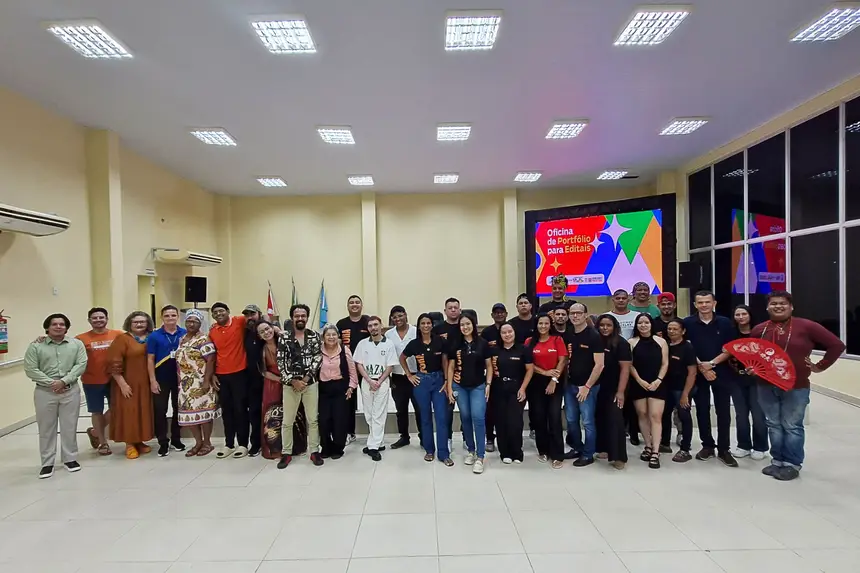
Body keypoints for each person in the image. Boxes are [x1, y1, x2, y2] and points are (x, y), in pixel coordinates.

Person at [751, 291, 844, 481]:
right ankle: (777, 460)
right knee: (773, 424)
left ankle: (792, 464)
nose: (778, 306)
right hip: (765, 384)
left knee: (792, 425)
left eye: (783, 303)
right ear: (767, 307)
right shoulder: (759, 329)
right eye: (774, 303)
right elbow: (754, 354)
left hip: (796, 385)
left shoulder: (806, 326)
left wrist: (820, 366)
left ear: (791, 306)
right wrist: (752, 368)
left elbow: (836, 345)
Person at [24, 313, 87, 478]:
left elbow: (81, 364)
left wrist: (64, 381)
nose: (58, 327)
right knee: (46, 428)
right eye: (54, 324)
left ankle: (70, 459)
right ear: (47, 327)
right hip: (45, 392)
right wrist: (52, 383)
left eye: (62, 324)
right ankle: (47, 463)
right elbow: (31, 369)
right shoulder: (36, 346)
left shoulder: (76, 344)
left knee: (69, 426)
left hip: (70, 390)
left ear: (66, 328)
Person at [682, 290, 739, 467]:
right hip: (698, 373)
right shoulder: (688, 323)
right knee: (702, 409)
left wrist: (712, 364)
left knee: (723, 411)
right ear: (695, 305)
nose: (704, 305)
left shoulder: (725, 322)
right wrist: (702, 367)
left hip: (721, 371)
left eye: (707, 302)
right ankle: (707, 445)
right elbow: (686, 347)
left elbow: (730, 348)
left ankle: (724, 449)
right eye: (700, 302)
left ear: (714, 303)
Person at [277, 304, 324, 468]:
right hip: (290, 386)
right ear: (292, 318)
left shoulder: (314, 336)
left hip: (310, 384)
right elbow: (281, 362)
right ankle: (286, 453)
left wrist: (306, 378)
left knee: (313, 420)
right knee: (287, 421)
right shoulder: (284, 337)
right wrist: (293, 381)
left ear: (307, 317)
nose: (300, 318)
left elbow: (318, 358)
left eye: (303, 316)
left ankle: (314, 451)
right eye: (297, 316)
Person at [402, 313, 452, 466]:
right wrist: (409, 375)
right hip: (421, 382)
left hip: (439, 381)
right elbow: (402, 358)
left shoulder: (440, 341)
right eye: (423, 323)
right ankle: (429, 450)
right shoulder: (414, 344)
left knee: (441, 418)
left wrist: (446, 381)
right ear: (419, 326)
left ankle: (444, 453)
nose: (426, 326)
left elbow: (445, 361)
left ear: (432, 325)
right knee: (425, 417)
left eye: (428, 323)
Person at [446, 313, 493, 474]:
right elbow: (451, 367)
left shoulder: (483, 344)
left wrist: (488, 384)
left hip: (478, 386)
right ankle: (471, 451)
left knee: (478, 418)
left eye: (468, 324)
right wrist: (449, 387)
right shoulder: (455, 344)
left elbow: (489, 366)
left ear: (473, 325)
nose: (465, 327)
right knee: (465, 417)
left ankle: (480, 456)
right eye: (462, 325)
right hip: (459, 386)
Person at [107, 311, 156, 460]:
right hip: (128, 383)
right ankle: (129, 444)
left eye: (142, 322)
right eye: (136, 322)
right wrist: (122, 384)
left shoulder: (151, 338)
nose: (139, 324)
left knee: (142, 412)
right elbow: (114, 363)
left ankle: (139, 441)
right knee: (129, 412)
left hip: (146, 383)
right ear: (130, 323)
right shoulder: (122, 339)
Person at [257, 320, 307, 461]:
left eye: (267, 329)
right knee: (274, 415)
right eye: (262, 332)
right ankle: (276, 449)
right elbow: (264, 372)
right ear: (259, 336)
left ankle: (297, 447)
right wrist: (282, 379)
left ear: (273, 328)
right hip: (273, 383)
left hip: (292, 381)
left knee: (294, 413)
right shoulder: (262, 350)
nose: (266, 332)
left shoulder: (285, 342)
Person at [76, 307, 123, 456]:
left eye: (101, 317)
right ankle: (103, 442)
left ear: (107, 319)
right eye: (94, 318)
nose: (98, 320)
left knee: (117, 408)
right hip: (92, 380)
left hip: (114, 379)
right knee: (96, 411)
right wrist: (43, 338)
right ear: (89, 320)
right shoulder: (80, 339)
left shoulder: (118, 335)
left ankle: (95, 432)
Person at [563, 303, 604, 466]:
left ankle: (588, 454)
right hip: (570, 385)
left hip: (588, 387)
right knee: (571, 420)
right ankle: (577, 448)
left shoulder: (594, 336)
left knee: (587, 422)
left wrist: (587, 387)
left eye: (579, 313)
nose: (575, 316)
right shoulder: (569, 333)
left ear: (586, 315)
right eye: (572, 313)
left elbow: (599, 365)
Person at [526, 314, 568, 469]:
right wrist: (544, 372)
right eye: (540, 323)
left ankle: (557, 455)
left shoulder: (557, 340)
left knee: (554, 417)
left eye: (546, 323)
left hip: (555, 383)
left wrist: (553, 380)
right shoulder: (529, 342)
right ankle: (543, 450)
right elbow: (528, 364)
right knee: (539, 417)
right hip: (535, 383)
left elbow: (563, 360)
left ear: (550, 325)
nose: (543, 326)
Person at [209, 302, 251, 459]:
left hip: (240, 373)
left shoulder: (239, 321)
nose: (219, 314)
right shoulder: (212, 331)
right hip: (221, 375)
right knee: (226, 411)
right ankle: (229, 444)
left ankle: (243, 444)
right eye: (215, 312)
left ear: (228, 311)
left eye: (221, 311)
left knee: (240, 409)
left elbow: (259, 318)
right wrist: (213, 374)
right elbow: (212, 354)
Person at [175, 309, 219, 456]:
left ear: (200, 324)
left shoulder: (204, 339)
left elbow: (211, 360)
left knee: (204, 413)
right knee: (189, 414)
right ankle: (198, 442)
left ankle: (207, 443)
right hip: (185, 384)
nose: (191, 324)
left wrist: (206, 380)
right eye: (189, 321)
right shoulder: (181, 339)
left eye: (195, 321)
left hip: (200, 381)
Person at [354, 316, 398, 461]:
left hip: (382, 382)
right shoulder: (362, 344)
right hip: (367, 382)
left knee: (378, 414)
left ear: (381, 326)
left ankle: (373, 447)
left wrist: (378, 381)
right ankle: (378, 442)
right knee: (369, 414)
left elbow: (390, 366)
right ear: (368, 328)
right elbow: (359, 364)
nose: (373, 328)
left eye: (375, 325)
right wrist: (369, 380)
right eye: (370, 325)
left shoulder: (389, 344)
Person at [628, 313, 669, 468]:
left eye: (646, 322)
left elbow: (665, 363)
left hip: (657, 383)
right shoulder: (631, 342)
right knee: (643, 414)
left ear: (651, 324)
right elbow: (629, 364)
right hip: (638, 383)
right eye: (640, 323)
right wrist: (639, 381)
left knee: (655, 416)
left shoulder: (661, 341)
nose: (643, 325)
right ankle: (648, 445)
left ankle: (656, 451)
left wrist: (658, 380)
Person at [491, 323, 534, 464]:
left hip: (517, 389)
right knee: (501, 421)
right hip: (498, 389)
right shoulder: (495, 350)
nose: (507, 335)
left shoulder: (523, 349)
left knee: (515, 422)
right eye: (504, 332)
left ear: (514, 332)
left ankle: (517, 452)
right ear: (500, 335)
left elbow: (530, 370)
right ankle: (505, 453)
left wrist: (523, 388)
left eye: (510, 331)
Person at [147, 305, 186, 457]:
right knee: (160, 410)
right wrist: (152, 380)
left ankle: (176, 439)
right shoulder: (154, 336)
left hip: (180, 378)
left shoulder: (184, 333)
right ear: (162, 317)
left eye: (173, 315)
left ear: (177, 316)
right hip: (161, 378)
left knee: (178, 409)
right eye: (167, 316)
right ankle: (163, 442)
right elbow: (150, 359)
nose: (170, 318)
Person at [593, 315, 631, 470]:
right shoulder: (596, 341)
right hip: (599, 386)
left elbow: (625, 369)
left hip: (616, 388)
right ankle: (603, 448)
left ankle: (619, 457)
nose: (605, 328)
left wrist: (620, 392)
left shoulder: (622, 343)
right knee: (600, 418)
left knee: (615, 420)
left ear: (614, 327)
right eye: (602, 325)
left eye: (608, 325)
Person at [730, 304, 768, 461]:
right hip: (736, 378)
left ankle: (760, 447)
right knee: (741, 414)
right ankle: (743, 445)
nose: (740, 317)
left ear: (750, 315)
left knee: (758, 415)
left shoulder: (759, 333)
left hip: (757, 379)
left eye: (744, 314)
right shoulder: (731, 334)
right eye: (737, 314)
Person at [317, 323, 358, 459]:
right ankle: (326, 447)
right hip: (323, 389)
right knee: (324, 420)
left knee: (339, 420)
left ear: (338, 336)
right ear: (323, 337)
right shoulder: (318, 350)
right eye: (328, 335)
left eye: (334, 334)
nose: (331, 337)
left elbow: (352, 371)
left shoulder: (344, 351)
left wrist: (351, 387)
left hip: (341, 388)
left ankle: (338, 448)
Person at [662, 319, 698, 463]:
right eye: (669, 329)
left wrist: (685, 394)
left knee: (684, 416)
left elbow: (692, 372)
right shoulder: (665, 345)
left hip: (682, 388)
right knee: (664, 415)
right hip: (667, 387)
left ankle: (685, 449)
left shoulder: (687, 347)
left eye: (675, 329)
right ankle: (664, 443)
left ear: (683, 331)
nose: (671, 331)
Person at [335, 295, 370, 443]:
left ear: (361, 305)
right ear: (347, 306)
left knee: (370, 400)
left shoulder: (368, 321)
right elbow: (336, 344)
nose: (354, 305)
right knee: (348, 401)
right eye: (351, 303)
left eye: (357, 302)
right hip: (348, 369)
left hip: (366, 368)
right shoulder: (341, 324)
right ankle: (350, 432)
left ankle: (374, 433)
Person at [385, 305, 420, 449]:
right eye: (394, 317)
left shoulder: (416, 331)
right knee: (401, 409)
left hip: (416, 376)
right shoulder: (389, 335)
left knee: (419, 408)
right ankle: (404, 437)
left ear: (405, 315)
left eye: (400, 316)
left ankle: (423, 436)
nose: (398, 319)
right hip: (397, 377)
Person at [608, 289, 639, 444]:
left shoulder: (636, 316)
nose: (621, 300)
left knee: (632, 399)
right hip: (613, 363)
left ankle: (633, 432)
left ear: (628, 299)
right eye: (618, 298)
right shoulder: (607, 317)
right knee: (617, 399)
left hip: (636, 361)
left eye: (623, 298)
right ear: (613, 299)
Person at [433, 297, 463, 451]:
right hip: (443, 374)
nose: (453, 310)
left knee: (465, 410)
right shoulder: (438, 329)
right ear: (445, 311)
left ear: (460, 310)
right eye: (450, 308)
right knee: (447, 410)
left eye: (455, 307)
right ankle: (448, 438)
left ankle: (467, 438)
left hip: (464, 373)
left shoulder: (464, 326)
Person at [481, 303, 507, 453]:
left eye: (502, 312)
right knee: (489, 409)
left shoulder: (510, 329)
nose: (499, 314)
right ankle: (490, 438)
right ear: (492, 315)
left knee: (506, 410)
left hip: (509, 374)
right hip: (491, 375)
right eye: (496, 312)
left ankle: (506, 437)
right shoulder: (487, 332)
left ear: (506, 314)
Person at [243, 304, 266, 457]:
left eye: (253, 314)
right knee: (254, 413)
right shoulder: (244, 332)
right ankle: (256, 443)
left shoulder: (268, 331)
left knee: (272, 411)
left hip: (270, 378)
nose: (250, 317)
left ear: (259, 314)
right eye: (247, 315)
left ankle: (273, 442)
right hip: (251, 380)